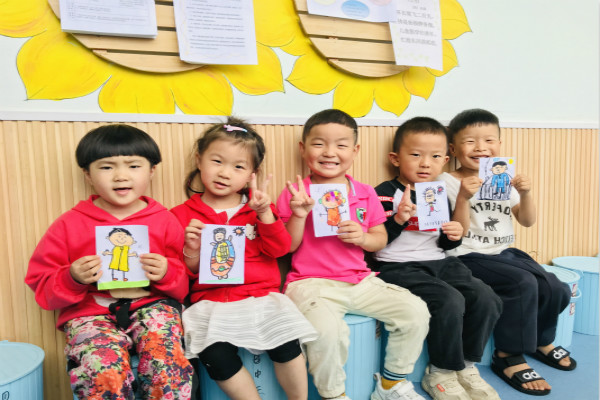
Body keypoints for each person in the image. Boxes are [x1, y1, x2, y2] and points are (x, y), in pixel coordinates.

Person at [25, 124, 194, 399]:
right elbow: (41, 286)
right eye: (106, 167)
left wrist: (166, 272)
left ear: (152, 170)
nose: (120, 176)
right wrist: (72, 277)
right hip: (90, 313)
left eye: (134, 166)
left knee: (167, 363)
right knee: (103, 369)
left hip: (152, 306)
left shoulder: (165, 220)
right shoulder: (69, 224)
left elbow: (183, 284)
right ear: (87, 174)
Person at [276, 109, 430, 400]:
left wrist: (363, 237)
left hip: (359, 281)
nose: (329, 152)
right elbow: (286, 247)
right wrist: (298, 214)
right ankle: (334, 395)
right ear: (303, 148)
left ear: (355, 151)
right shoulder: (295, 193)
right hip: (310, 283)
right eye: (319, 144)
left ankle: (391, 384)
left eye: (341, 145)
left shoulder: (365, 192)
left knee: (415, 310)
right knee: (327, 331)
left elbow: (379, 240)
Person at [171, 118, 317, 400]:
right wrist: (192, 249)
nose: (225, 173)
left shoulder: (258, 209)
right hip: (211, 302)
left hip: (260, 297)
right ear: (199, 160)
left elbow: (280, 250)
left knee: (287, 342)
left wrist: (264, 215)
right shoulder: (180, 215)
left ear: (252, 173)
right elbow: (184, 273)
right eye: (217, 161)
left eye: (238, 167)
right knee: (214, 355)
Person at [440, 108, 575, 396]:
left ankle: (540, 341)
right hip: (467, 254)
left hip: (504, 252)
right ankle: (508, 355)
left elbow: (527, 220)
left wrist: (525, 193)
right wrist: (463, 196)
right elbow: (456, 233)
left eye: (489, 140)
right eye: (470, 142)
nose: (480, 148)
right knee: (522, 283)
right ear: (453, 149)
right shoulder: (446, 182)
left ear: (499, 145)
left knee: (555, 287)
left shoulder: (500, 178)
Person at [371, 117, 502, 400]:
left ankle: (466, 365)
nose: (425, 164)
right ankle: (441, 370)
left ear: (444, 160)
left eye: (434, 157)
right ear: (395, 158)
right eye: (415, 155)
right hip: (396, 265)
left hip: (440, 261)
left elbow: (445, 241)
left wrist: (453, 234)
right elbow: (376, 241)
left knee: (485, 297)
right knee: (448, 300)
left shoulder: (437, 194)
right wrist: (399, 219)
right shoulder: (382, 194)